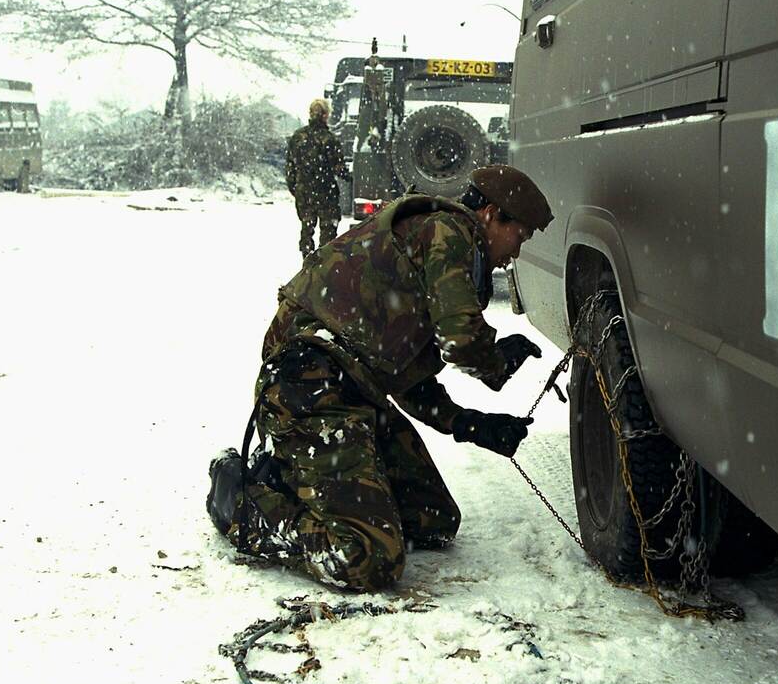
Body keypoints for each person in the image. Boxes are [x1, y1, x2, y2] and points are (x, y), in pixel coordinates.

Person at [208, 165, 553, 592]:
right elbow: (460, 340)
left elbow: (407, 377)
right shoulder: (449, 234)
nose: (515, 252)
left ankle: (301, 476)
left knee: (433, 519)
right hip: (308, 388)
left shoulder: (432, 239)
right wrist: (496, 361)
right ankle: (241, 499)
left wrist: (468, 423)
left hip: (351, 391)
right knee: (367, 558)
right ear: (491, 215)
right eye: (519, 234)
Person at [285, 98, 350, 258]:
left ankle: (307, 264)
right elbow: (339, 168)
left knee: (307, 229)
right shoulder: (330, 140)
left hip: (304, 194)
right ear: (326, 115)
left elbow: (290, 169)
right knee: (328, 233)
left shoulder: (297, 137)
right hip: (326, 193)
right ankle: (324, 267)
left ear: (310, 113)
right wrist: (350, 177)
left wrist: (298, 189)